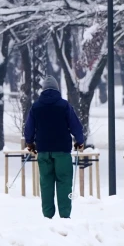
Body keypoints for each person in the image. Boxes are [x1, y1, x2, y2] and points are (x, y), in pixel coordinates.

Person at [24, 76, 84, 219]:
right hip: (62, 151)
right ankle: (65, 216)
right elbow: (75, 125)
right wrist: (79, 141)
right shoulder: (64, 106)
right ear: (57, 89)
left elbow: (29, 129)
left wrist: (30, 143)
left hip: (43, 151)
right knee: (64, 182)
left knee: (46, 183)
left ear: (43, 90)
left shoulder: (36, 107)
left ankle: (48, 216)